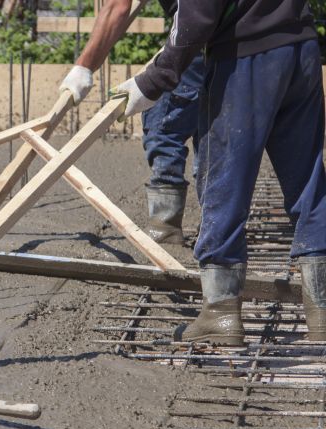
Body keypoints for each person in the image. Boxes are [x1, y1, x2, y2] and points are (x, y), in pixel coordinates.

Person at [113, 0, 326, 344]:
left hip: (244, 55)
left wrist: (152, 81)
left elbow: (198, 12)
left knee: (224, 182)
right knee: (309, 184)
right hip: (300, 48)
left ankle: (221, 312)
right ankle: (322, 315)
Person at [60, 0, 203, 244]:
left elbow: (117, 6)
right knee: (217, 127)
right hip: (248, 37)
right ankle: (217, 228)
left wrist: (83, 67)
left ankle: (166, 231)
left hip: (203, 33)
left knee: (164, 122)